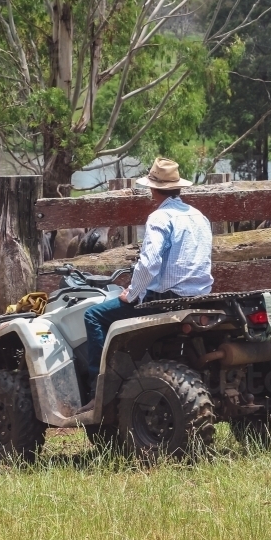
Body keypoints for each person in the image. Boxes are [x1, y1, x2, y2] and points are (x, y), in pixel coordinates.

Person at [79, 157, 213, 413]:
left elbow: (149, 262)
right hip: (199, 298)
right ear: (178, 187)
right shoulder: (199, 217)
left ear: (153, 189)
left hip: (167, 300)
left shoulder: (160, 217)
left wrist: (132, 293)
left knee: (94, 316)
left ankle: (98, 389)